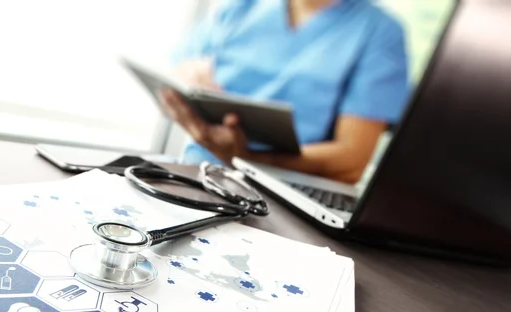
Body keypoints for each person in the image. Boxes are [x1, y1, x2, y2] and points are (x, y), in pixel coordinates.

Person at [160, 0, 410, 183]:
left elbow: (352, 160)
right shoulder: (243, 6)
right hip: (195, 172)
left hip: (283, 194)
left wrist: (246, 157)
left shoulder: (379, 32)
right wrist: (188, 76)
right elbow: (180, 65)